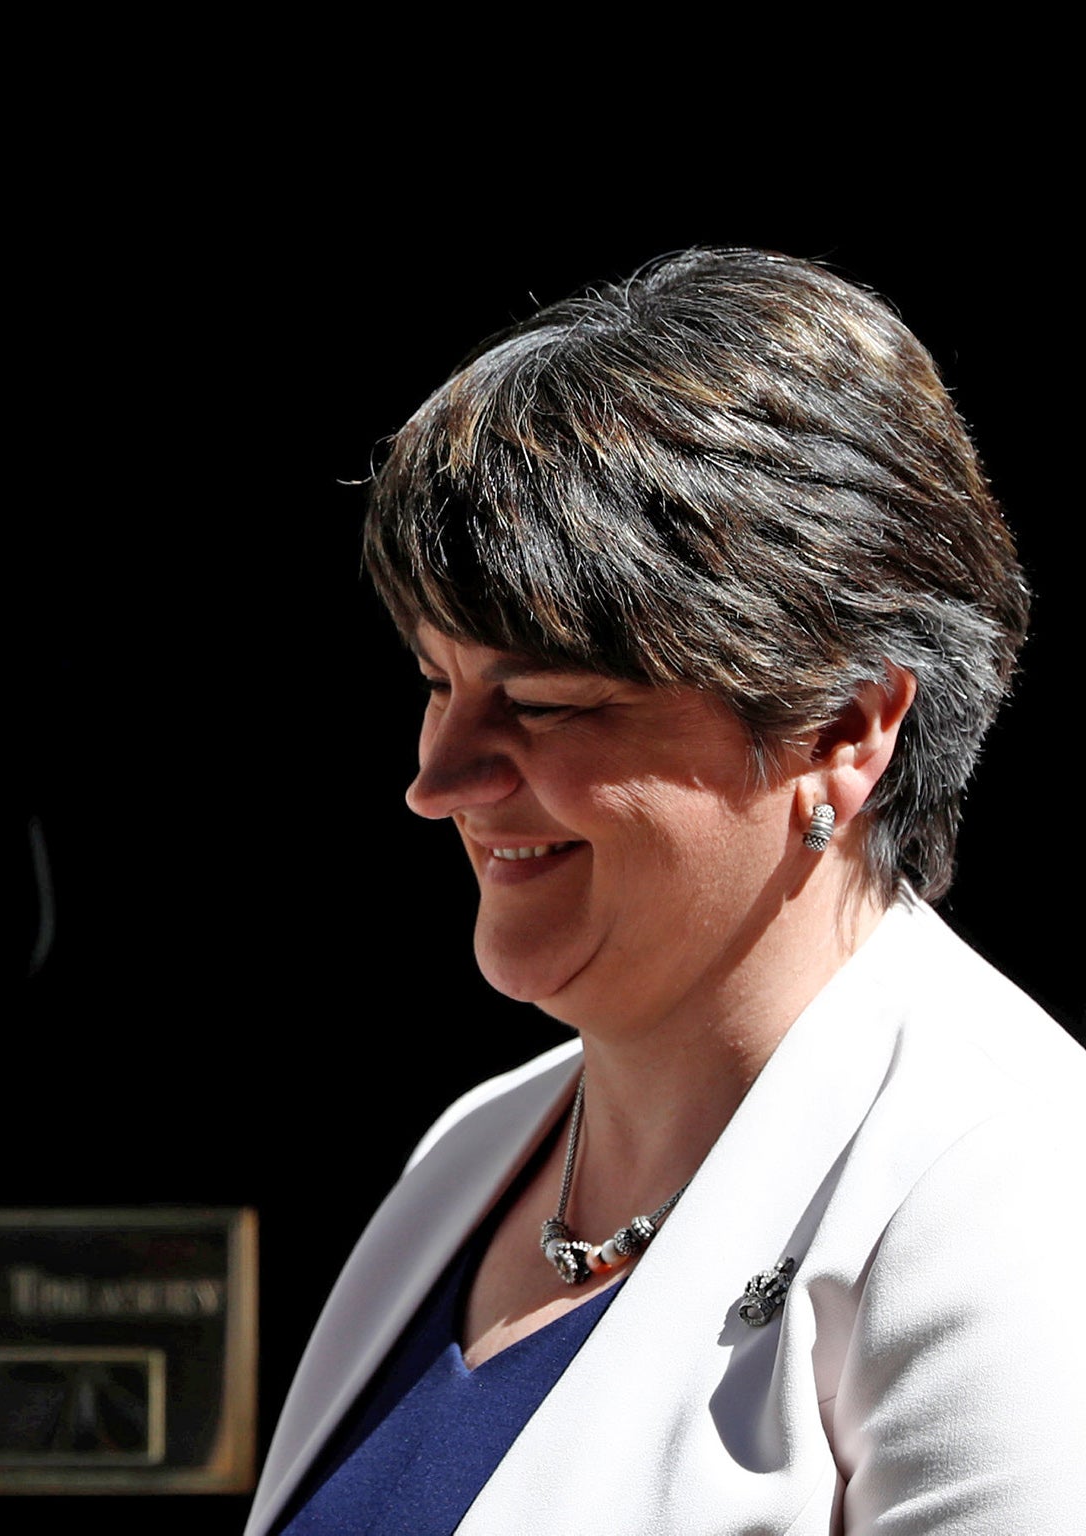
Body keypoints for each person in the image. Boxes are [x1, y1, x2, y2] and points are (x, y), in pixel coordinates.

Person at [247, 250, 1086, 1534]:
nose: (438, 778)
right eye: (433, 683)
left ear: (843, 732)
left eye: (543, 702)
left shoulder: (1009, 1190)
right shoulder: (470, 1150)